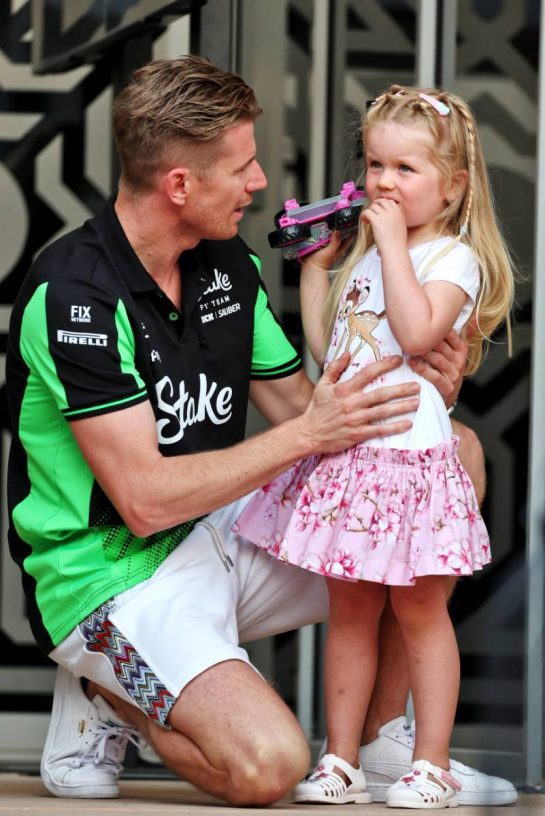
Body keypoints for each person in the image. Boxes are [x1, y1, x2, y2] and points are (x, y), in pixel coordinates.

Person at [5, 58, 515, 808]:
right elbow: (144, 500)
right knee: (267, 767)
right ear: (180, 184)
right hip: (110, 574)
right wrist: (313, 431)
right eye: (242, 167)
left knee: (450, 461)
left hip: (216, 531)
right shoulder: (74, 294)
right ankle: (112, 691)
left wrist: (421, 392)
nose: (258, 183)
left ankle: (380, 745)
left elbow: (309, 408)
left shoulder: (226, 267)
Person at [235, 85, 515, 808]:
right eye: (375, 164)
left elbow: (420, 334)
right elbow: (334, 353)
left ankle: (429, 761)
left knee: (421, 614)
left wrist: (390, 245)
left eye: (405, 170)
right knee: (352, 615)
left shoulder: (451, 259)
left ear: (452, 189)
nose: (383, 183)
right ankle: (341, 757)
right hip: (354, 465)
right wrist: (317, 270)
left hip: (411, 467)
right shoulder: (368, 259)